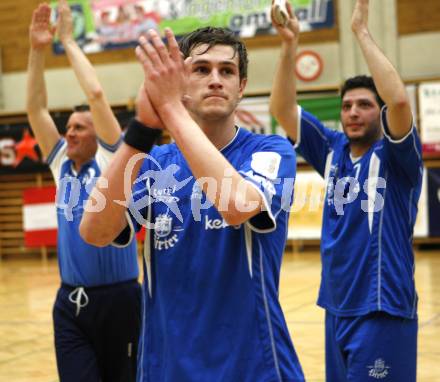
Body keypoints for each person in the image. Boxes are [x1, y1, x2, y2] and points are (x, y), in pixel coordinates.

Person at [80, 26, 305, 382]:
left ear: (241, 87)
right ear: (180, 82)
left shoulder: (270, 152)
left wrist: (170, 109)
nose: (215, 80)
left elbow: (236, 205)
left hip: (254, 367)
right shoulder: (154, 162)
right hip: (167, 368)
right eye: (201, 69)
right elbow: (94, 231)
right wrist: (140, 130)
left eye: (227, 71)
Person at [270, 0, 422, 381]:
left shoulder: (396, 156)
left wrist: (361, 32)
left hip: (381, 307)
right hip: (336, 306)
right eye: (348, 105)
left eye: (365, 105)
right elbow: (283, 109)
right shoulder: (332, 149)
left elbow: (400, 100)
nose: (353, 111)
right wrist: (289, 46)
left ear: (380, 111)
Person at [26, 1, 141, 381]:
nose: (69, 133)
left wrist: (68, 42)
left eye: (79, 127)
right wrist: (37, 51)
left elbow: (95, 93)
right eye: (68, 127)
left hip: (121, 301)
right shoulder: (61, 167)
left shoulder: (112, 159)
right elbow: (35, 109)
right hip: (70, 303)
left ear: (100, 135)